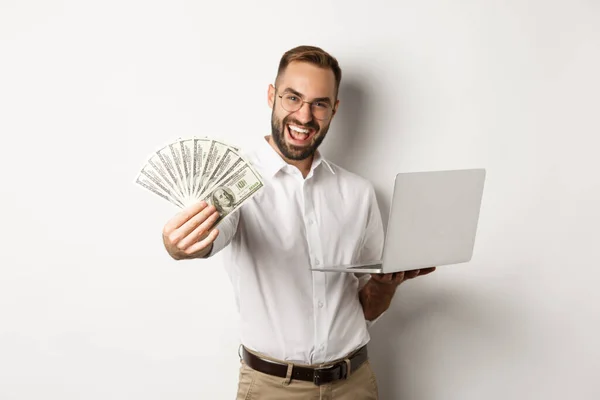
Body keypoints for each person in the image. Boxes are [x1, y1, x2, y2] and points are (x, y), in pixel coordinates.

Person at [162, 45, 436, 400]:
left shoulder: (358, 192)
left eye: (319, 103)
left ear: (334, 110)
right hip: (273, 388)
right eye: (293, 98)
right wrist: (179, 246)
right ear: (272, 96)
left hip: (355, 383)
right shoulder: (232, 182)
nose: (304, 116)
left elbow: (368, 307)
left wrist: (386, 285)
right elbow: (209, 237)